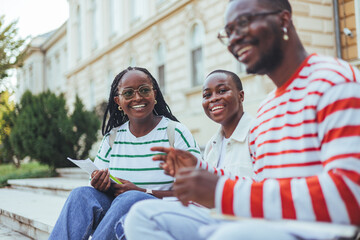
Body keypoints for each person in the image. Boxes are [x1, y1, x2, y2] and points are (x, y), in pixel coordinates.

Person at [125, 0, 360, 239]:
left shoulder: (334, 82)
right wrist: (201, 171)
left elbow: (350, 194)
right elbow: (261, 185)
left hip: (315, 231)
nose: (234, 39)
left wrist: (221, 192)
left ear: (283, 20)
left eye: (244, 23)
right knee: (142, 216)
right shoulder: (268, 108)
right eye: (229, 32)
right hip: (262, 225)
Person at [49, 66, 202, 240]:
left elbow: (199, 192)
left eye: (144, 90)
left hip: (162, 216)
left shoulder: (175, 133)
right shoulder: (112, 138)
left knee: (130, 198)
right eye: (128, 93)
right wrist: (101, 184)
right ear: (118, 101)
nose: (137, 97)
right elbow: (98, 189)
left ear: (155, 94)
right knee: (81, 195)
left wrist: (142, 192)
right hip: (118, 216)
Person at [124, 69, 254, 240]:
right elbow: (204, 197)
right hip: (213, 219)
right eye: (207, 95)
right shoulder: (212, 146)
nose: (214, 98)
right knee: (137, 214)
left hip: (245, 224)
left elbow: (270, 191)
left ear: (241, 96)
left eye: (222, 91)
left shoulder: (258, 134)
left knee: (140, 214)